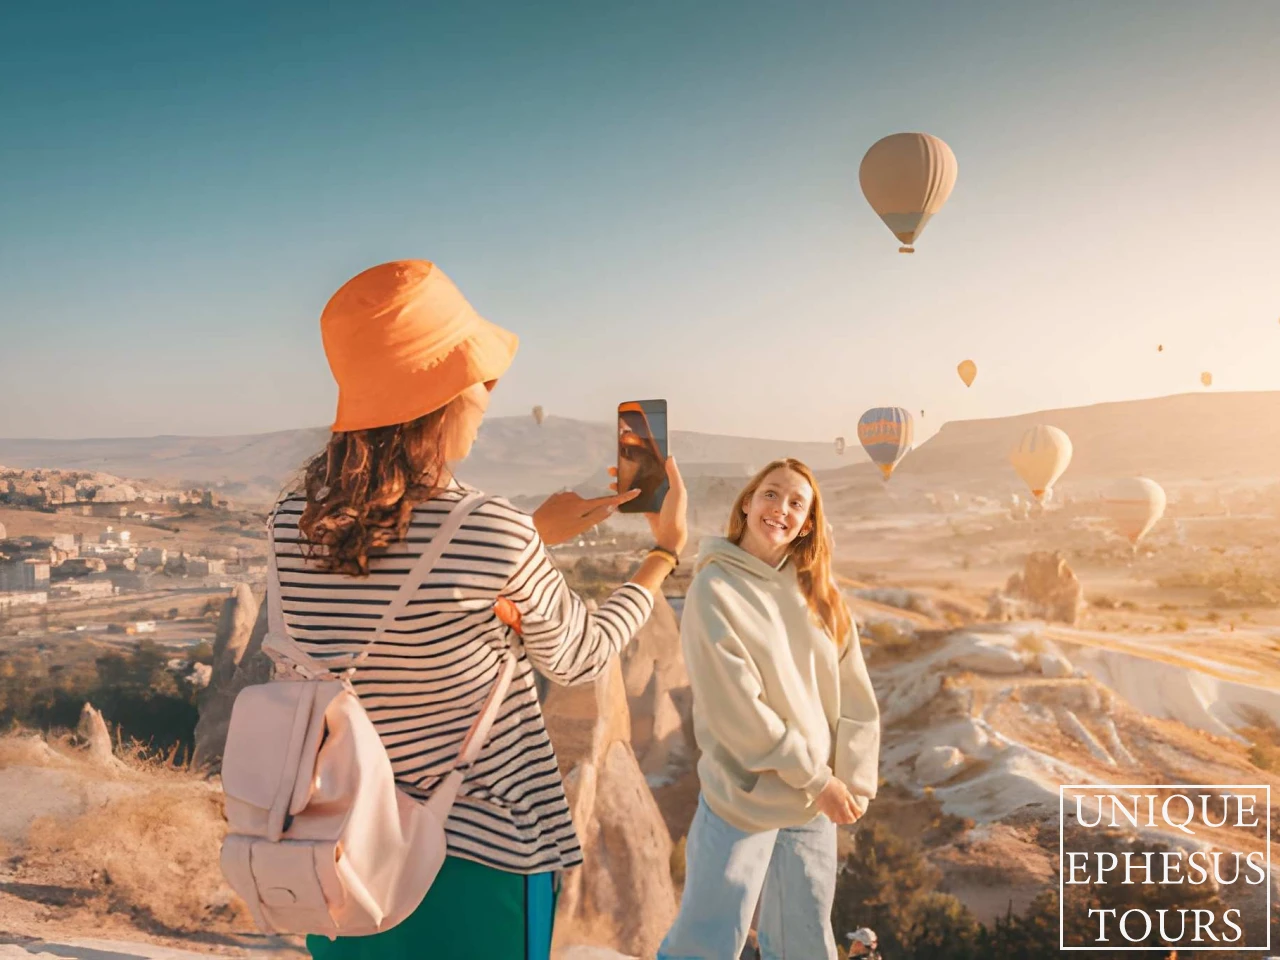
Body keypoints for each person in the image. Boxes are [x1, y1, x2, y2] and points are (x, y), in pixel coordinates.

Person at [274, 259, 688, 960]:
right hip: (478, 862)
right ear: (438, 398)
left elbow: (391, 579)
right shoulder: (489, 530)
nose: (489, 396)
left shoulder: (291, 525)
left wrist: (527, 536)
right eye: (479, 379)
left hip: (341, 856)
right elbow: (581, 656)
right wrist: (664, 554)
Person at [656, 459, 880, 960]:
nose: (781, 509)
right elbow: (738, 710)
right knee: (706, 943)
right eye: (771, 494)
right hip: (746, 796)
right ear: (747, 503)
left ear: (808, 524)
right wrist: (819, 780)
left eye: (797, 503)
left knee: (806, 943)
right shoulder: (714, 589)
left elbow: (854, 689)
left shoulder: (819, 592)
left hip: (812, 803)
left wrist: (855, 778)